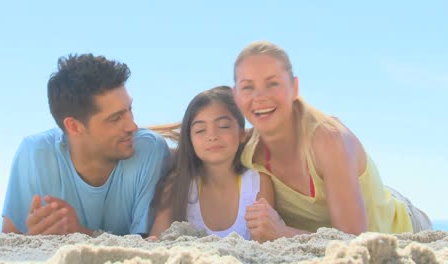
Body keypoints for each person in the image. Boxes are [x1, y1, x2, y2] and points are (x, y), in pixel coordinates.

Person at [232, 41, 432, 242]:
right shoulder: (245, 147)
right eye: (248, 87)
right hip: (354, 192)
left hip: (400, 224)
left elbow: (355, 241)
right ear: (236, 96)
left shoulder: (328, 139)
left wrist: (282, 233)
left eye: (272, 83)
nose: (260, 97)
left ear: (294, 88)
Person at [1, 54, 170, 236]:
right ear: (74, 126)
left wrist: (78, 233)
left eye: (130, 110)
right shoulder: (35, 154)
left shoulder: (149, 150)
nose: (132, 126)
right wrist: (33, 235)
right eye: (116, 118)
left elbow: (150, 245)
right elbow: (10, 240)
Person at [149, 86, 274, 240]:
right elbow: (156, 240)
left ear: (242, 134)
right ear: (190, 140)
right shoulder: (178, 184)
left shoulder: (258, 182)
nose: (212, 136)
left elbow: (263, 245)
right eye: (201, 130)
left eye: (223, 126)